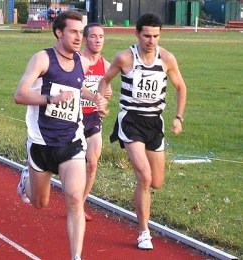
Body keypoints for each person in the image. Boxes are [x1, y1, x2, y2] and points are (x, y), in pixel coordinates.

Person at [14, 11, 108, 260]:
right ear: (59, 32)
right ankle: (26, 178)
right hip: (41, 143)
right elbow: (20, 95)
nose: (80, 37)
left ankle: (76, 257)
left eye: (81, 32)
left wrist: (95, 97)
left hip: (71, 142)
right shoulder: (42, 59)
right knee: (39, 203)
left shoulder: (82, 62)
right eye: (74, 32)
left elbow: (78, 86)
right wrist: (50, 99)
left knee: (76, 198)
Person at [98, 12, 187, 250]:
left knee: (156, 182)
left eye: (156, 36)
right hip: (130, 121)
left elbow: (181, 87)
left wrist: (178, 117)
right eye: (147, 35)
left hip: (154, 123)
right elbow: (105, 80)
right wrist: (102, 100)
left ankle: (142, 198)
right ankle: (144, 232)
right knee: (144, 177)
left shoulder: (167, 59)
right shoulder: (125, 58)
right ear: (137, 33)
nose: (151, 40)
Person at [80, 23, 112, 221]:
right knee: (59, 162)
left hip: (93, 118)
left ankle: (79, 205)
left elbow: (107, 92)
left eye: (101, 36)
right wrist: (95, 95)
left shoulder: (107, 65)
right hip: (72, 117)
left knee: (92, 164)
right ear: (85, 40)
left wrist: (104, 101)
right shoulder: (76, 61)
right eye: (93, 36)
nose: (98, 40)